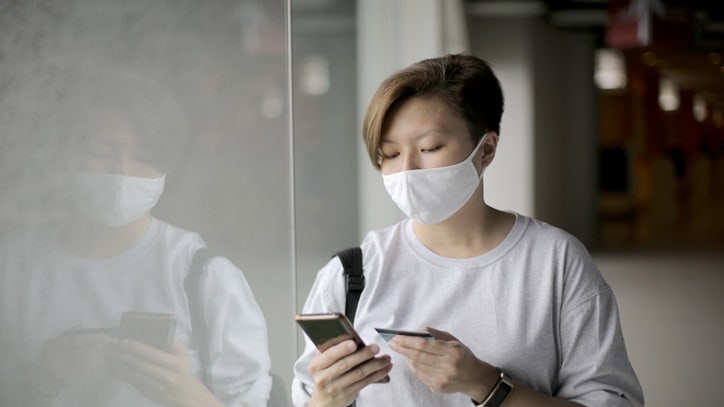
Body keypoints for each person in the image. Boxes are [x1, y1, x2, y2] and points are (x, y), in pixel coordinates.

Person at [292, 53, 644, 407]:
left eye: (429, 148)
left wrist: (487, 384)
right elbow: (308, 397)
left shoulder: (554, 261)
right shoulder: (353, 273)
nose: (408, 170)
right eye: (391, 154)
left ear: (486, 149)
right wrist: (327, 399)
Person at [0, 67, 272, 407]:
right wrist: (43, 375)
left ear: (167, 167)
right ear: (65, 153)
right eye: (101, 152)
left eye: (144, 157)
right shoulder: (13, 265)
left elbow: (252, 398)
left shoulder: (201, 273)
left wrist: (183, 392)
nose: (121, 173)